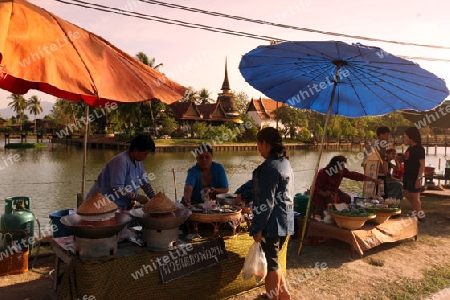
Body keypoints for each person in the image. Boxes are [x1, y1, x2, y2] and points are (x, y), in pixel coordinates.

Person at [249, 127, 293, 300]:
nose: (258, 148)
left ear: (265, 144)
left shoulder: (269, 168)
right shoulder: (284, 163)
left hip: (272, 224)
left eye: (259, 144)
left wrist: (257, 228)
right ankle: (283, 295)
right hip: (285, 221)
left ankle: (271, 297)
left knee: (272, 265)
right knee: (273, 259)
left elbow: (266, 202)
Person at [86, 134, 156, 211]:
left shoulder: (138, 163)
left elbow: (145, 184)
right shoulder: (121, 161)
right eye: (145, 154)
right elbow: (117, 189)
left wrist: (155, 199)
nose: (145, 157)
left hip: (121, 206)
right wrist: (137, 197)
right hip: (102, 206)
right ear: (136, 150)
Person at [313, 155, 379, 219]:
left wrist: (373, 180)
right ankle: (325, 215)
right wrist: (323, 193)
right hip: (320, 196)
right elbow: (315, 187)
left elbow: (355, 175)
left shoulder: (342, 171)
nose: (343, 167)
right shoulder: (323, 172)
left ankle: (338, 214)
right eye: (341, 165)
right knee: (329, 202)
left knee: (347, 198)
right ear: (335, 166)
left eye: (343, 165)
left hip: (334, 193)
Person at [403, 127, 425, 220]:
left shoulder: (420, 149)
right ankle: (419, 212)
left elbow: (422, 165)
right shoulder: (409, 148)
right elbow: (407, 160)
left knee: (415, 197)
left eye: (405, 136)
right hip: (406, 175)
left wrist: (419, 178)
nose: (404, 137)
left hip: (414, 176)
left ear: (410, 137)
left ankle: (419, 215)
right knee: (406, 193)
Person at [363, 126, 390, 197]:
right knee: (382, 192)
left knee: (372, 191)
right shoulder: (383, 142)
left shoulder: (372, 142)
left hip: (370, 169)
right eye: (387, 134)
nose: (388, 136)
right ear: (381, 134)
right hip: (379, 169)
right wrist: (385, 171)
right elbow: (384, 158)